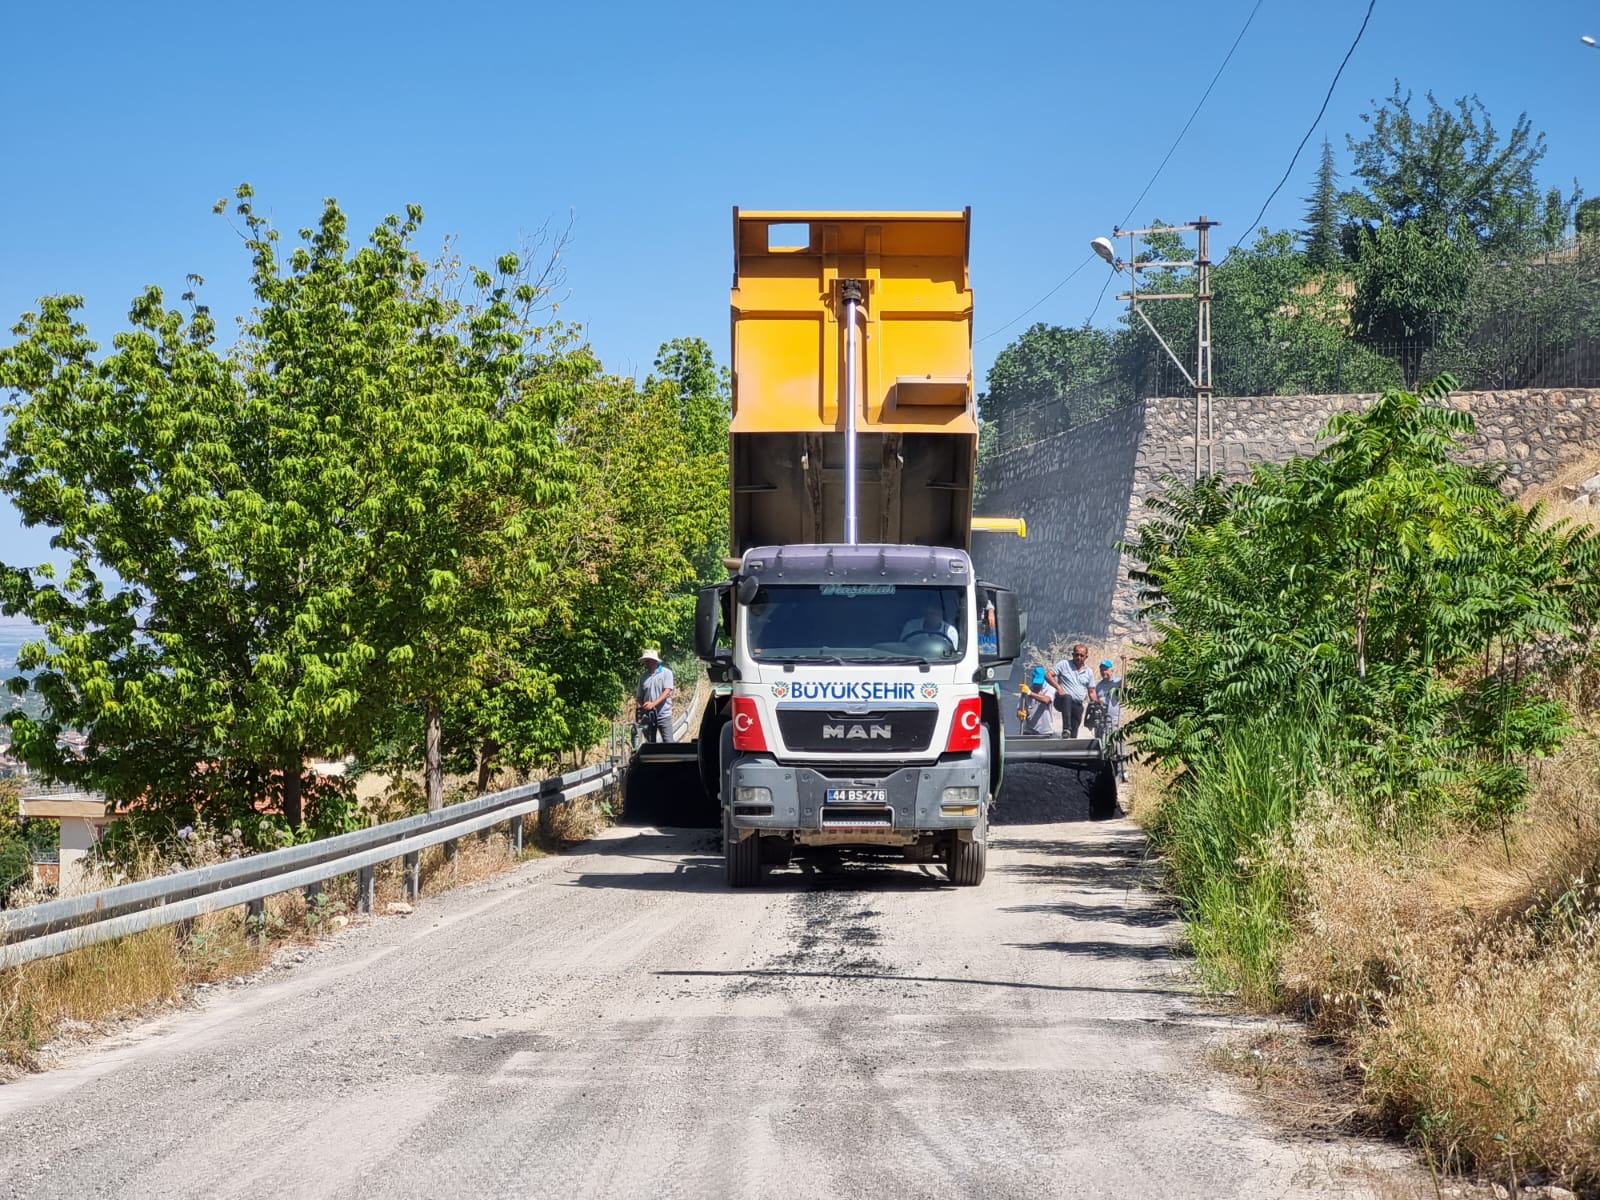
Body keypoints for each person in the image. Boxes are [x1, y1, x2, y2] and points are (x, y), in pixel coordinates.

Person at [1046, 643, 1094, 738]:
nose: (1078, 657)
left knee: (1074, 731)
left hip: (1077, 704)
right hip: (1062, 701)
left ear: (1086, 657)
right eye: (1076, 655)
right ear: (1073, 655)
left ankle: (1070, 742)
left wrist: (1096, 703)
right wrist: (1058, 688)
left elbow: (1091, 691)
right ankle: (1066, 728)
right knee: (1067, 697)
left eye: (1081, 655)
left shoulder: (1088, 672)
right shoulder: (1064, 664)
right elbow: (1048, 675)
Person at [1094, 658, 1127, 780]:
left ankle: (1123, 770)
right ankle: (1106, 771)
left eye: (1106, 669)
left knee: (1120, 745)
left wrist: (1125, 663)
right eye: (1102, 669)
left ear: (1112, 670)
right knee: (1105, 746)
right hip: (1103, 721)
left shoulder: (1118, 682)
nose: (1104, 672)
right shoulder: (1099, 686)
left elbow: (1126, 683)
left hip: (1116, 719)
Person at [636, 649, 675, 744]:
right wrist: (644, 706)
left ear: (654, 660)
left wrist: (653, 704)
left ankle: (671, 757)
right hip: (648, 716)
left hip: (663, 714)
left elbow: (667, 691)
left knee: (668, 742)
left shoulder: (667, 673)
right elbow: (639, 696)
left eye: (648, 660)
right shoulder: (643, 677)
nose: (646, 663)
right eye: (645, 661)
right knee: (650, 743)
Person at [1019, 665, 1056, 736]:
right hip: (1029, 731)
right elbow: (1020, 707)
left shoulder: (1049, 689)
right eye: (1036, 683)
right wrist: (1019, 713)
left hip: (1045, 732)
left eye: (1039, 683)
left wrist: (1030, 693)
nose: (1037, 685)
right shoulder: (1026, 690)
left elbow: (1046, 700)